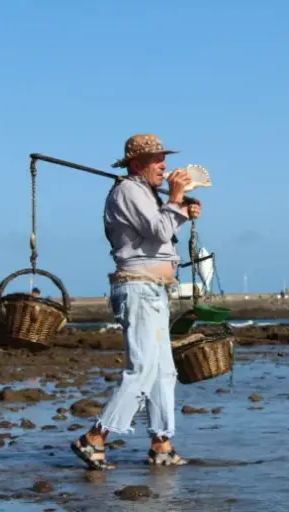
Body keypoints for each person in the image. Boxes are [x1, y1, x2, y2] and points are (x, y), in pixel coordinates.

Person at [70, 134, 203, 470]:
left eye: (163, 158)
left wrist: (182, 210)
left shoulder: (144, 193)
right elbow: (158, 232)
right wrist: (175, 199)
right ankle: (94, 438)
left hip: (153, 289)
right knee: (143, 368)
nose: (164, 165)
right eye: (156, 159)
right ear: (135, 164)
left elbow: (159, 229)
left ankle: (162, 444)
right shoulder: (128, 190)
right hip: (138, 288)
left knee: (163, 372)